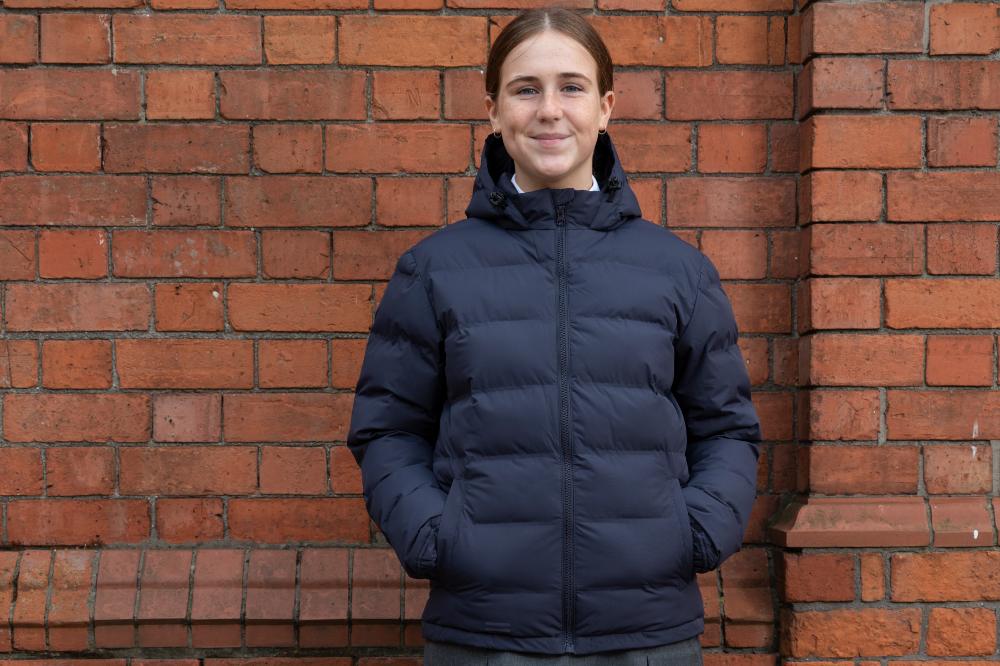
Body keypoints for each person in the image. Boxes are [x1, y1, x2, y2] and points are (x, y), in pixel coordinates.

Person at [346, 6, 762, 665]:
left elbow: (728, 430)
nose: (549, 110)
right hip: (484, 636)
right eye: (526, 88)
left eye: (571, 87)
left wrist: (694, 535)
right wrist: (437, 538)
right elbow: (387, 429)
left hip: (647, 634)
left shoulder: (677, 271)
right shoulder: (434, 271)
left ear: (605, 107)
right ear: (493, 110)